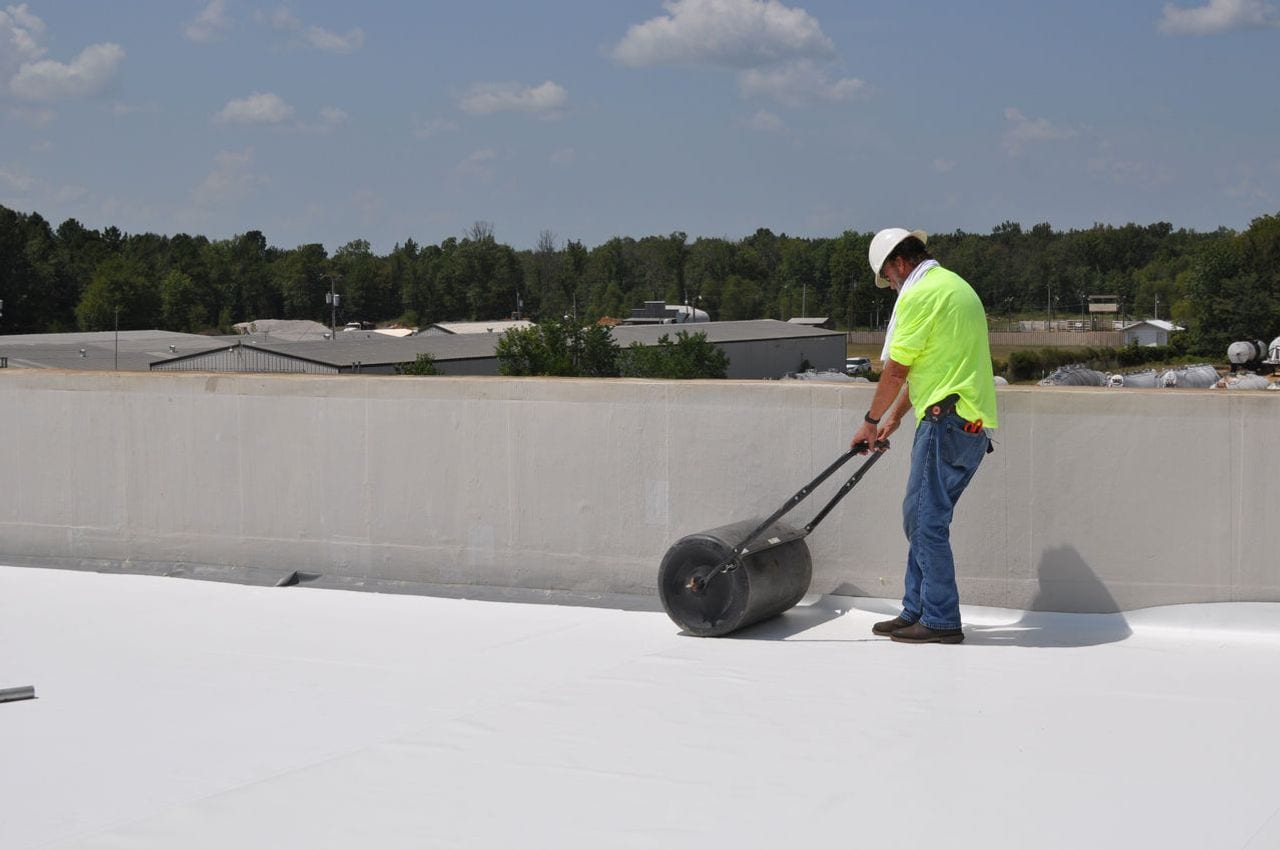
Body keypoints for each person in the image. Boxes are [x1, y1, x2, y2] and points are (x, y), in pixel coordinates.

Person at [848, 228, 998, 644]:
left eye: (889, 278)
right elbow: (931, 365)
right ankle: (916, 609)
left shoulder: (919, 295)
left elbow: (897, 369)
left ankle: (941, 620)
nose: (891, 287)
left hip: (944, 423)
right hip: (969, 425)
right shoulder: (953, 286)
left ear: (899, 263)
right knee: (921, 519)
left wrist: (870, 422)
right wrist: (895, 417)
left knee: (925, 523)